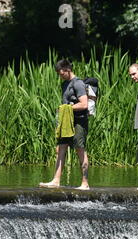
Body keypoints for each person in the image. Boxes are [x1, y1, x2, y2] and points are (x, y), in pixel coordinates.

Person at [39, 59, 90, 190]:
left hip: (79, 121)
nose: (60, 76)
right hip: (66, 121)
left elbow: (84, 104)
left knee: (80, 149)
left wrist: (66, 108)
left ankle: (85, 183)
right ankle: (56, 181)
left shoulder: (78, 83)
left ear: (68, 70)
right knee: (61, 148)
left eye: (61, 73)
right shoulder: (65, 84)